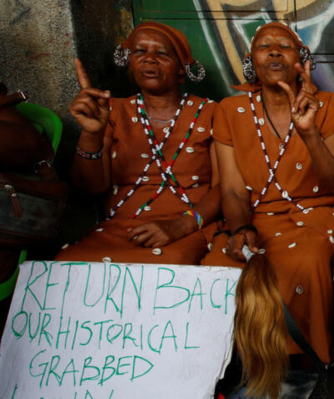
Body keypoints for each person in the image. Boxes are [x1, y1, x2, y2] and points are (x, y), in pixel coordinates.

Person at [200, 22, 334, 394]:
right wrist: (239, 228)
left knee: (305, 261)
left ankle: (301, 369)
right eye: (265, 46)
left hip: (315, 215)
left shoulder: (327, 105)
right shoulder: (229, 110)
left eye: (286, 46)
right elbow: (231, 189)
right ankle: (230, 370)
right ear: (252, 60)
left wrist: (309, 132)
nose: (276, 51)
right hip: (255, 218)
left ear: (300, 60)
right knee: (217, 265)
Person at [58, 22, 220, 264]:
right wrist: (91, 134)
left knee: (168, 265)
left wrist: (181, 225)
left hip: (189, 226)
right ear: (130, 62)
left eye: (162, 53)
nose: (150, 59)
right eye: (139, 52)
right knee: (68, 263)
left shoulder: (210, 112)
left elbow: (225, 187)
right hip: (122, 229)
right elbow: (89, 188)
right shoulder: (112, 111)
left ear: (182, 68)